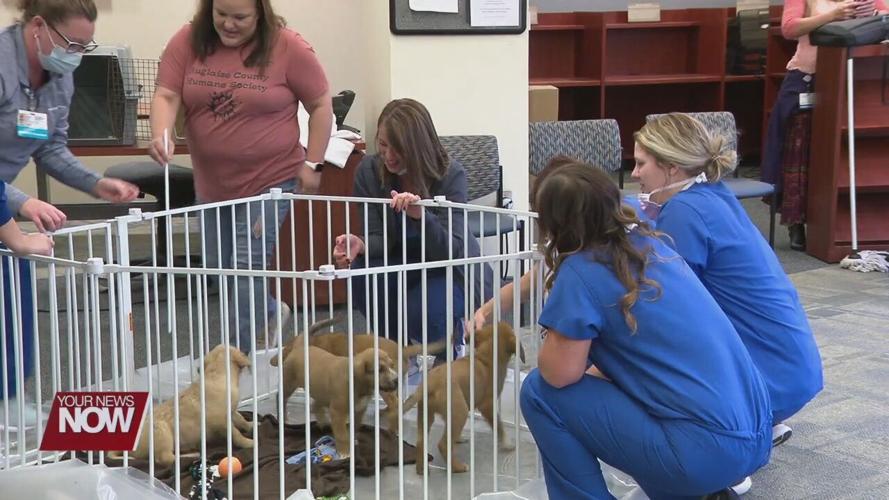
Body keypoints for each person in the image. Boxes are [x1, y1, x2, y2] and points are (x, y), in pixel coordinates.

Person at [520, 162, 772, 499]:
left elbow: (558, 375)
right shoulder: (653, 246)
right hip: (756, 432)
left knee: (538, 391)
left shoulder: (582, 271)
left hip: (705, 452)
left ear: (552, 222)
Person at [149, 0, 333, 352]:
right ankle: (268, 311)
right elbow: (167, 94)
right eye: (221, 15)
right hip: (212, 182)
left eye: (240, 18)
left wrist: (314, 163)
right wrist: (162, 132)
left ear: (261, 13)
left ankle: (236, 357)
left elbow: (321, 104)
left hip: (270, 179)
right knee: (222, 269)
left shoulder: (289, 47)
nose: (228, 25)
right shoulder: (187, 41)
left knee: (246, 268)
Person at [634, 113, 824, 449]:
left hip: (767, 381)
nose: (634, 175)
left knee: (639, 344)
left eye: (641, 164)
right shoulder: (713, 194)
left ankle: (731, 441)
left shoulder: (683, 212)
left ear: (672, 167)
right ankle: (758, 421)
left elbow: (665, 305)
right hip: (793, 370)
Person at [0, 0, 138, 428]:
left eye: (84, 45)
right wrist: (19, 217)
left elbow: (50, 146)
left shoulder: (59, 76)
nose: (76, 54)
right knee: (17, 255)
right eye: (71, 43)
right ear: (38, 26)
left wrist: (95, 183)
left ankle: (10, 399)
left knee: (14, 288)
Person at [332, 98, 493, 347]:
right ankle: (397, 352)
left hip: (447, 267)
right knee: (364, 277)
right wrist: (360, 244)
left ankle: (449, 350)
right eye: (384, 145)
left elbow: (451, 251)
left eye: (399, 149)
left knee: (425, 312)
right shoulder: (369, 171)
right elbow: (379, 237)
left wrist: (421, 216)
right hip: (399, 259)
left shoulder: (451, 175)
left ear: (419, 147)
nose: (389, 156)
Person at [474, 155, 654, 330]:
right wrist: (485, 312)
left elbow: (562, 357)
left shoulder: (580, 271)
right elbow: (530, 282)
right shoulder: (644, 239)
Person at [762, 0, 888, 250]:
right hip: (808, 78)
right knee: (800, 152)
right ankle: (795, 222)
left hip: (855, 79)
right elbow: (789, 28)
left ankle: (851, 222)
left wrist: (874, 14)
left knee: (845, 155)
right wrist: (832, 15)